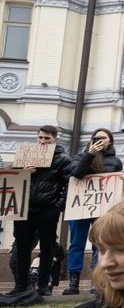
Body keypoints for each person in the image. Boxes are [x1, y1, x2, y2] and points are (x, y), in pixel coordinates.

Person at [6, 125, 70, 296]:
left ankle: (42, 286)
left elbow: (68, 183)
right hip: (24, 208)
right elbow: (12, 178)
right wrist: (22, 171)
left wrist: (57, 206)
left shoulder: (63, 159)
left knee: (47, 248)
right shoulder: (26, 156)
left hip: (48, 210)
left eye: (47, 138)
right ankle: (21, 286)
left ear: (55, 139)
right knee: (22, 248)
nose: (42, 141)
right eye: (40, 138)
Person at [65, 128, 124, 292]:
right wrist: (90, 154)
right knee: (76, 243)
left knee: (100, 244)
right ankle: (73, 283)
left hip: (102, 208)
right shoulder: (79, 157)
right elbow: (77, 173)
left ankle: (96, 281)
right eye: (96, 137)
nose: (99, 140)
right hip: (80, 206)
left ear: (110, 141)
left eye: (103, 138)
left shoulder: (115, 161)